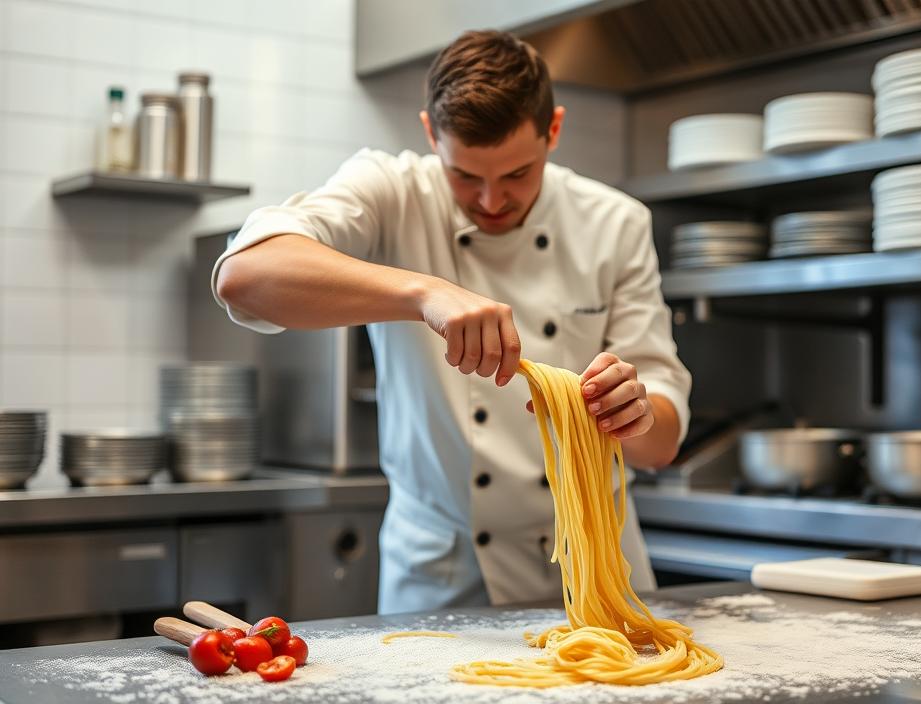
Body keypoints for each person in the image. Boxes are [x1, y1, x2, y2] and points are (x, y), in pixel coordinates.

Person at [213, 29, 691, 614]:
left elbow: (663, 442)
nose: (491, 200)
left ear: (554, 131)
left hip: (597, 578)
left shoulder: (615, 223)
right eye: (465, 176)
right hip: (441, 579)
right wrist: (422, 292)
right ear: (430, 134)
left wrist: (633, 415)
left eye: (517, 174)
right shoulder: (393, 191)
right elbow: (244, 275)